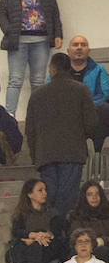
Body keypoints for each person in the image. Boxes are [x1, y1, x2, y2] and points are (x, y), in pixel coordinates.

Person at [27, 53, 98, 218]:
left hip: (46, 155)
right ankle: (64, 234)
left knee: (48, 198)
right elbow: (92, 123)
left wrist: (35, 156)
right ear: (69, 68)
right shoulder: (81, 90)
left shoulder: (37, 94)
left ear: (52, 69)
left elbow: (30, 130)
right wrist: (79, 136)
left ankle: (52, 233)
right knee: (67, 199)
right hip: (73, 153)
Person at [0, 0, 63, 114]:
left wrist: (58, 34)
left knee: (38, 81)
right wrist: (9, 30)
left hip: (42, 40)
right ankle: (10, 117)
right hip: (17, 41)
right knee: (15, 80)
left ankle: (37, 118)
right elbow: (1, 15)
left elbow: (55, 14)